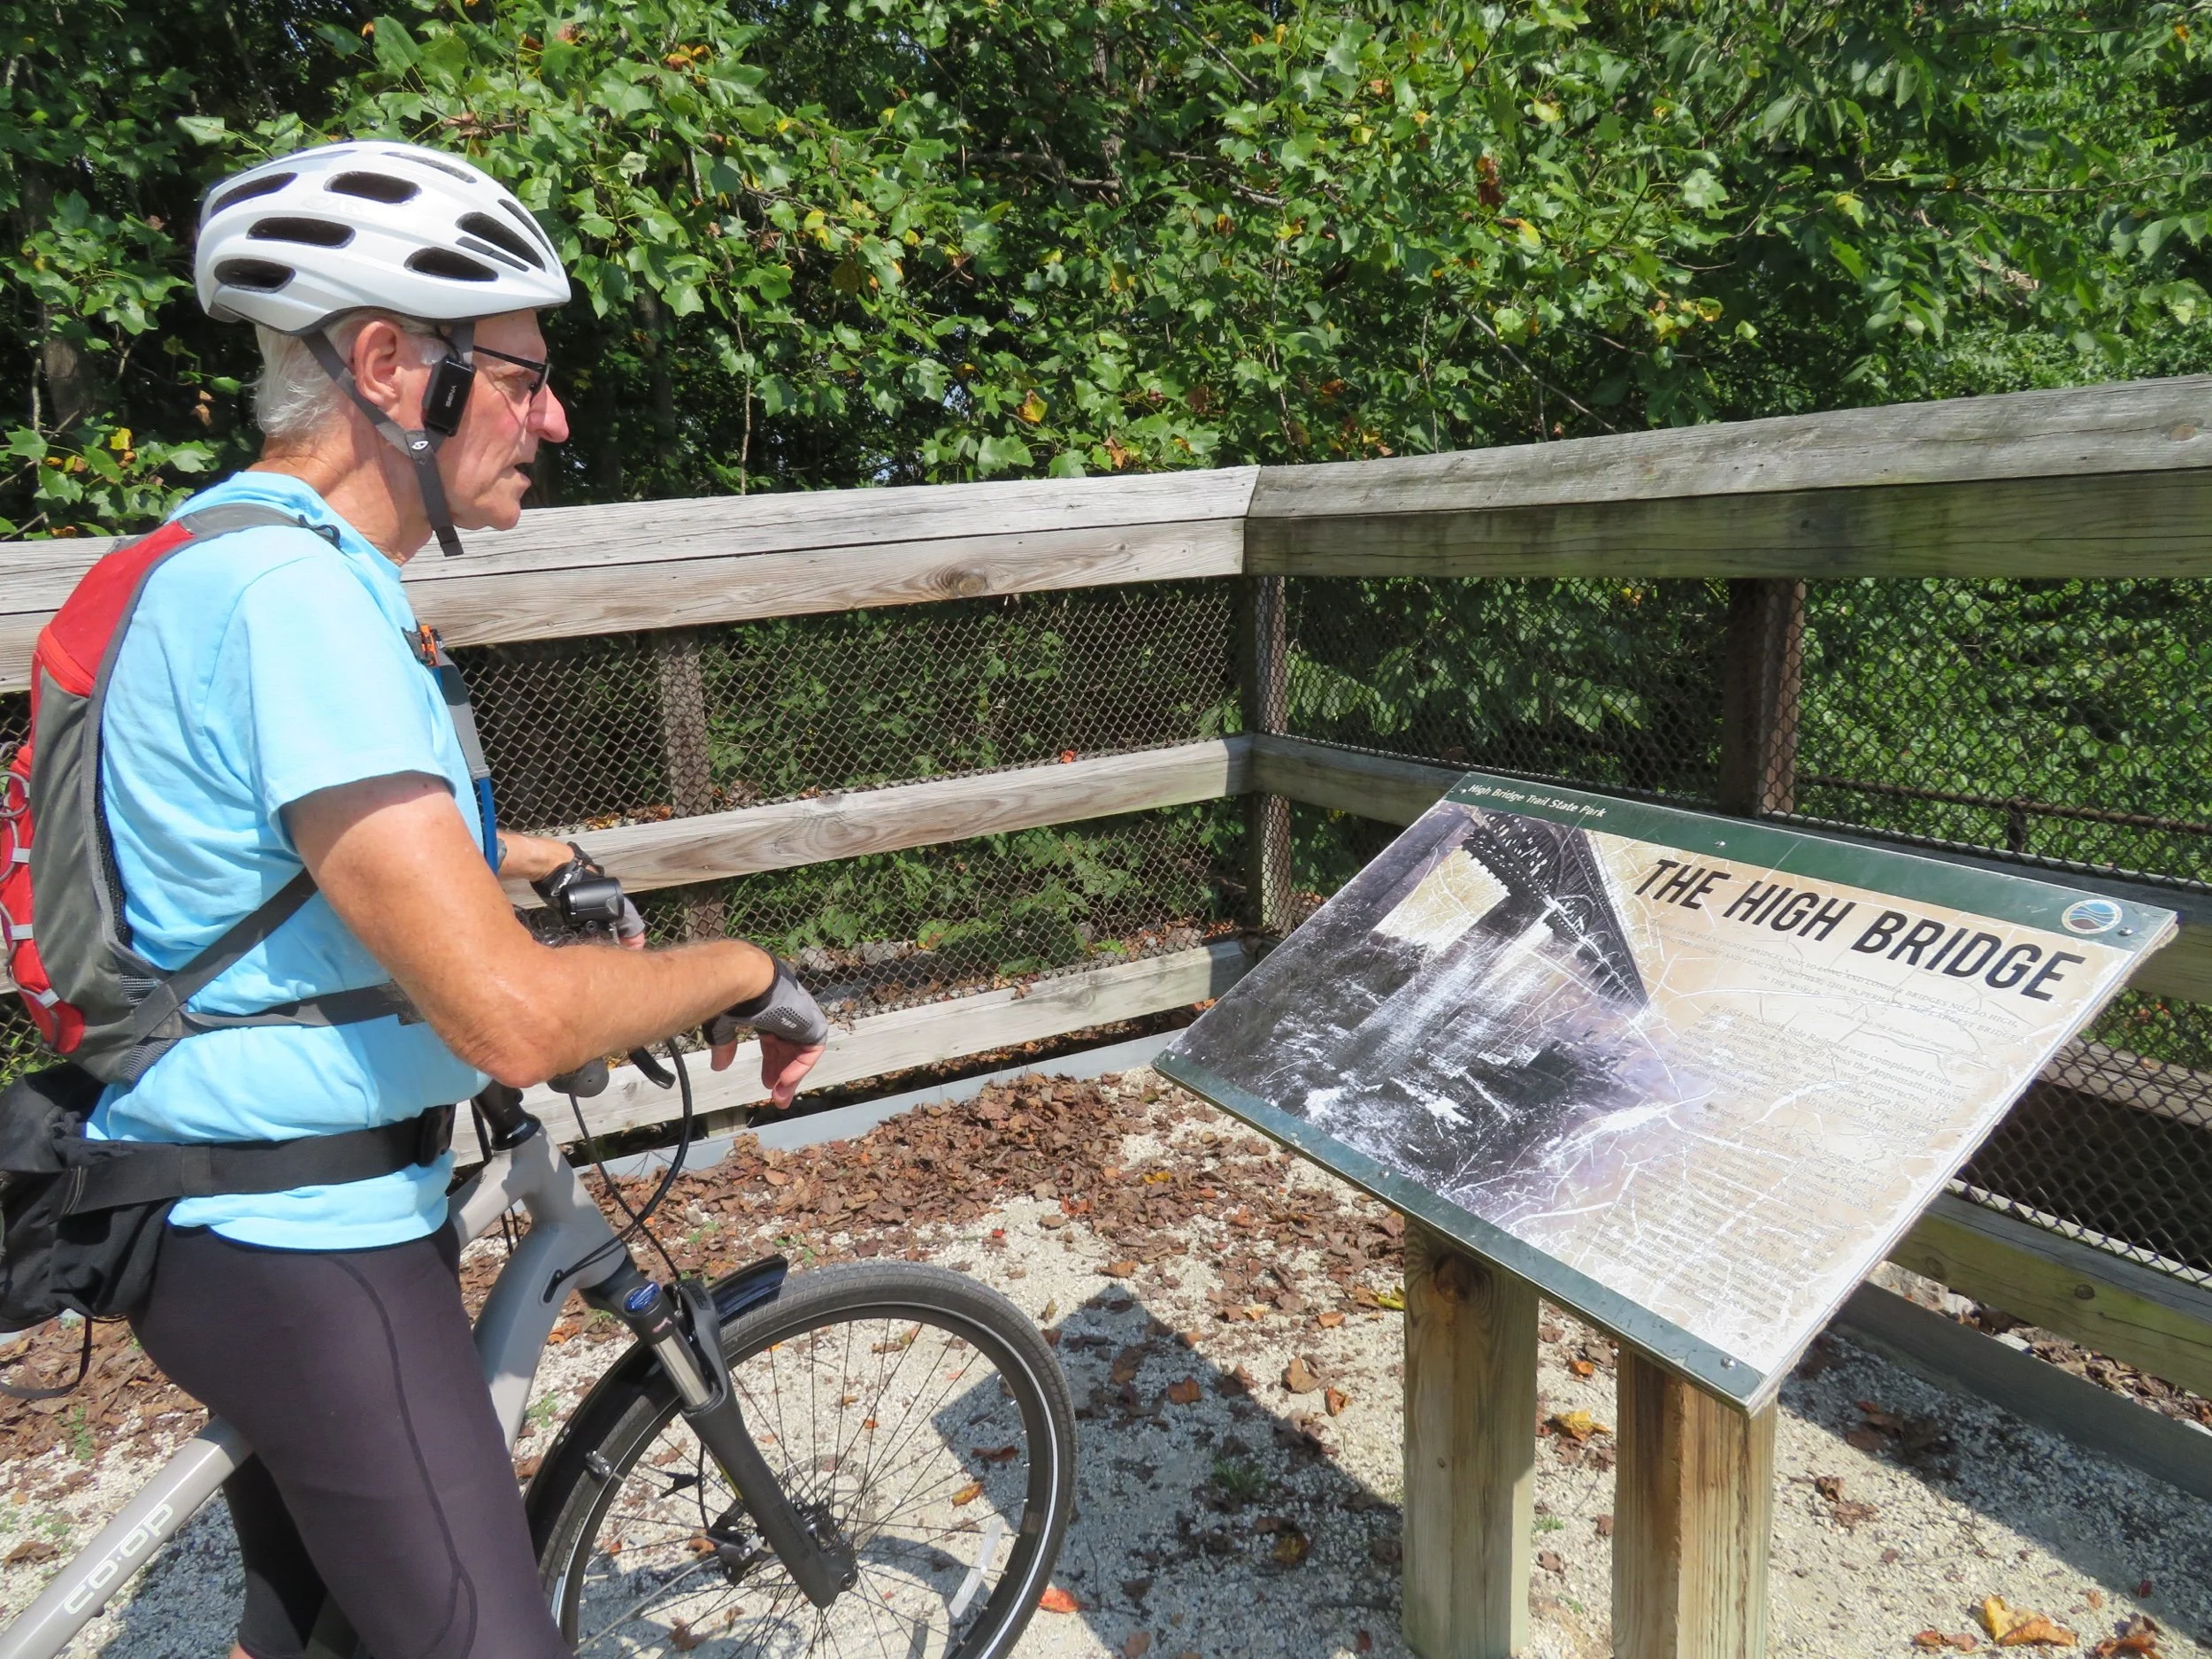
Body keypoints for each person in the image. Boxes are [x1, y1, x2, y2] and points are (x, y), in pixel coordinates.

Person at [98, 140, 827, 1659]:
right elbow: (508, 1014)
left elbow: (289, 833)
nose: (551, 415)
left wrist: (528, 859)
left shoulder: (227, 554)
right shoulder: (302, 604)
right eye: (520, 375)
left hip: (236, 1186)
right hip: (299, 1226)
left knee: (313, 1627)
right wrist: (743, 966)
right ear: (386, 365)